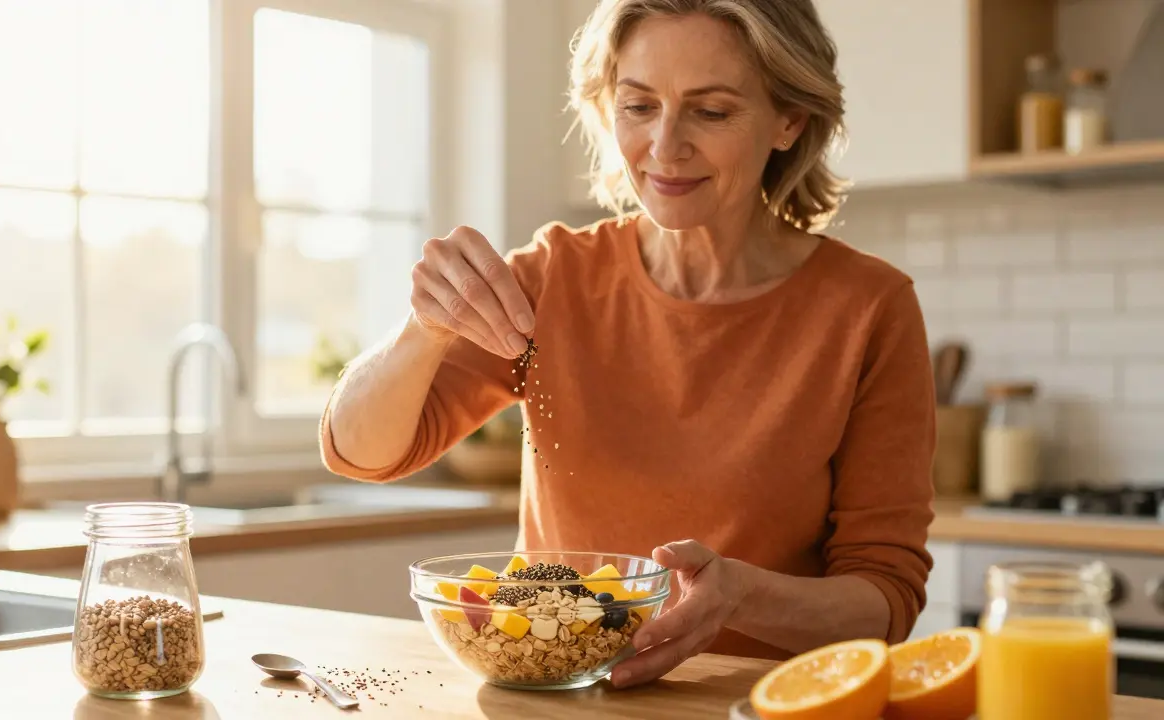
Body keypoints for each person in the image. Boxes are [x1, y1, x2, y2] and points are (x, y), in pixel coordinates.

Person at [319, 0, 936, 689]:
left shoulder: (868, 308)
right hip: (560, 700)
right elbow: (360, 451)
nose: (664, 146)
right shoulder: (554, 277)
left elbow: (884, 601)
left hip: (759, 706)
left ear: (789, 119)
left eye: (711, 111)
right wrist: (421, 332)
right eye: (639, 106)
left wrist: (744, 595)